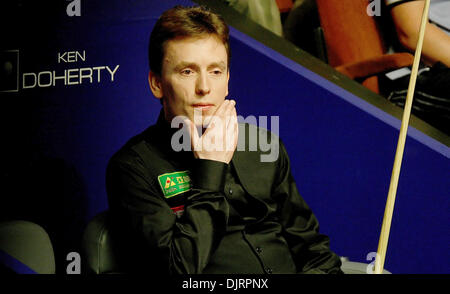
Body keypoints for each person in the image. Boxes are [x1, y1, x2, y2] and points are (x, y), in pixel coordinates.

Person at [106, 5, 343, 274]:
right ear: (157, 83)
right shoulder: (133, 168)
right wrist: (211, 168)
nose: (204, 87)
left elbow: (314, 253)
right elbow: (179, 270)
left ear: (228, 80)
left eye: (216, 71)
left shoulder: (263, 146)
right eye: (187, 71)